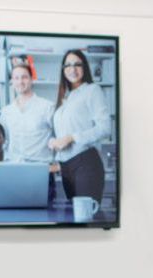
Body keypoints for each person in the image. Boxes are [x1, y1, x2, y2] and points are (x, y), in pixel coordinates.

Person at [48, 49, 112, 204]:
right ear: (63, 70)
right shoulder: (66, 97)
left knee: (86, 218)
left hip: (85, 163)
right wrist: (54, 141)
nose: (73, 69)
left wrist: (72, 138)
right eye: (68, 65)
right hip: (66, 167)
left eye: (77, 64)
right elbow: (64, 131)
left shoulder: (92, 90)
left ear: (85, 68)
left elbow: (105, 128)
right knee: (75, 219)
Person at [0, 62, 56, 201]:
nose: (20, 81)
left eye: (24, 77)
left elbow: (60, 137)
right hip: (14, 171)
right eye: (16, 78)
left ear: (32, 79)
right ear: (12, 81)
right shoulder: (7, 111)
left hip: (42, 171)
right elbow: (3, 142)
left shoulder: (47, 106)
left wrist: (57, 165)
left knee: (44, 218)